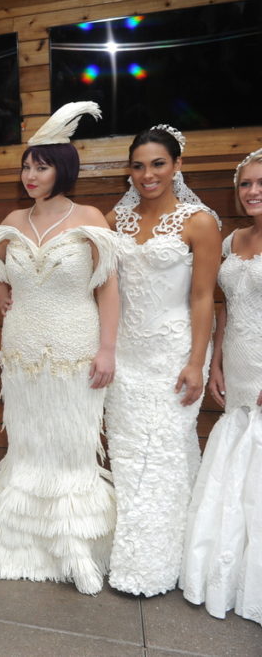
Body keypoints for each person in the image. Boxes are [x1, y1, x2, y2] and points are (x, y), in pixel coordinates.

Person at [0, 102, 119, 595]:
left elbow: (108, 289)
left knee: (71, 444)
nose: (31, 174)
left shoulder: (89, 216)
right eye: (26, 165)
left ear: (63, 168)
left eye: (41, 166)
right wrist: (5, 300)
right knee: (31, 442)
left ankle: (75, 544)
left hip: (74, 350)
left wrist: (107, 349)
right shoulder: (14, 219)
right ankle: (20, 543)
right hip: (20, 351)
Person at [104, 125, 222, 597]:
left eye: (157, 164)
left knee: (166, 454)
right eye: (138, 165)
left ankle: (156, 563)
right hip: (128, 355)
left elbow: (203, 298)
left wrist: (196, 361)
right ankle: (141, 549)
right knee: (131, 457)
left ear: (176, 166)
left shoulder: (199, 222)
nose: (147, 174)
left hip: (175, 353)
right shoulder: (117, 219)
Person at [181, 147, 262, 625]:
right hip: (238, 363)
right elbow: (224, 306)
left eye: (260, 183)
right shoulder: (233, 241)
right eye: (246, 184)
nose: (253, 192)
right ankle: (222, 575)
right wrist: (214, 361)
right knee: (235, 464)